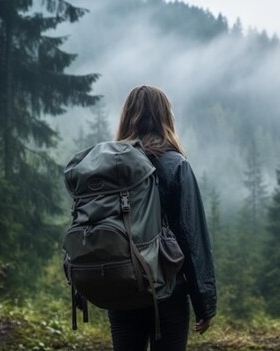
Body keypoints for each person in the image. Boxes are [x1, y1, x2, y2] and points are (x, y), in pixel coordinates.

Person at [109, 85, 217, 350]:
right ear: (165, 118)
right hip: (168, 292)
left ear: (126, 117)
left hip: (122, 289)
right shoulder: (176, 165)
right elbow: (191, 237)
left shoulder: (110, 165)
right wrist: (205, 302)